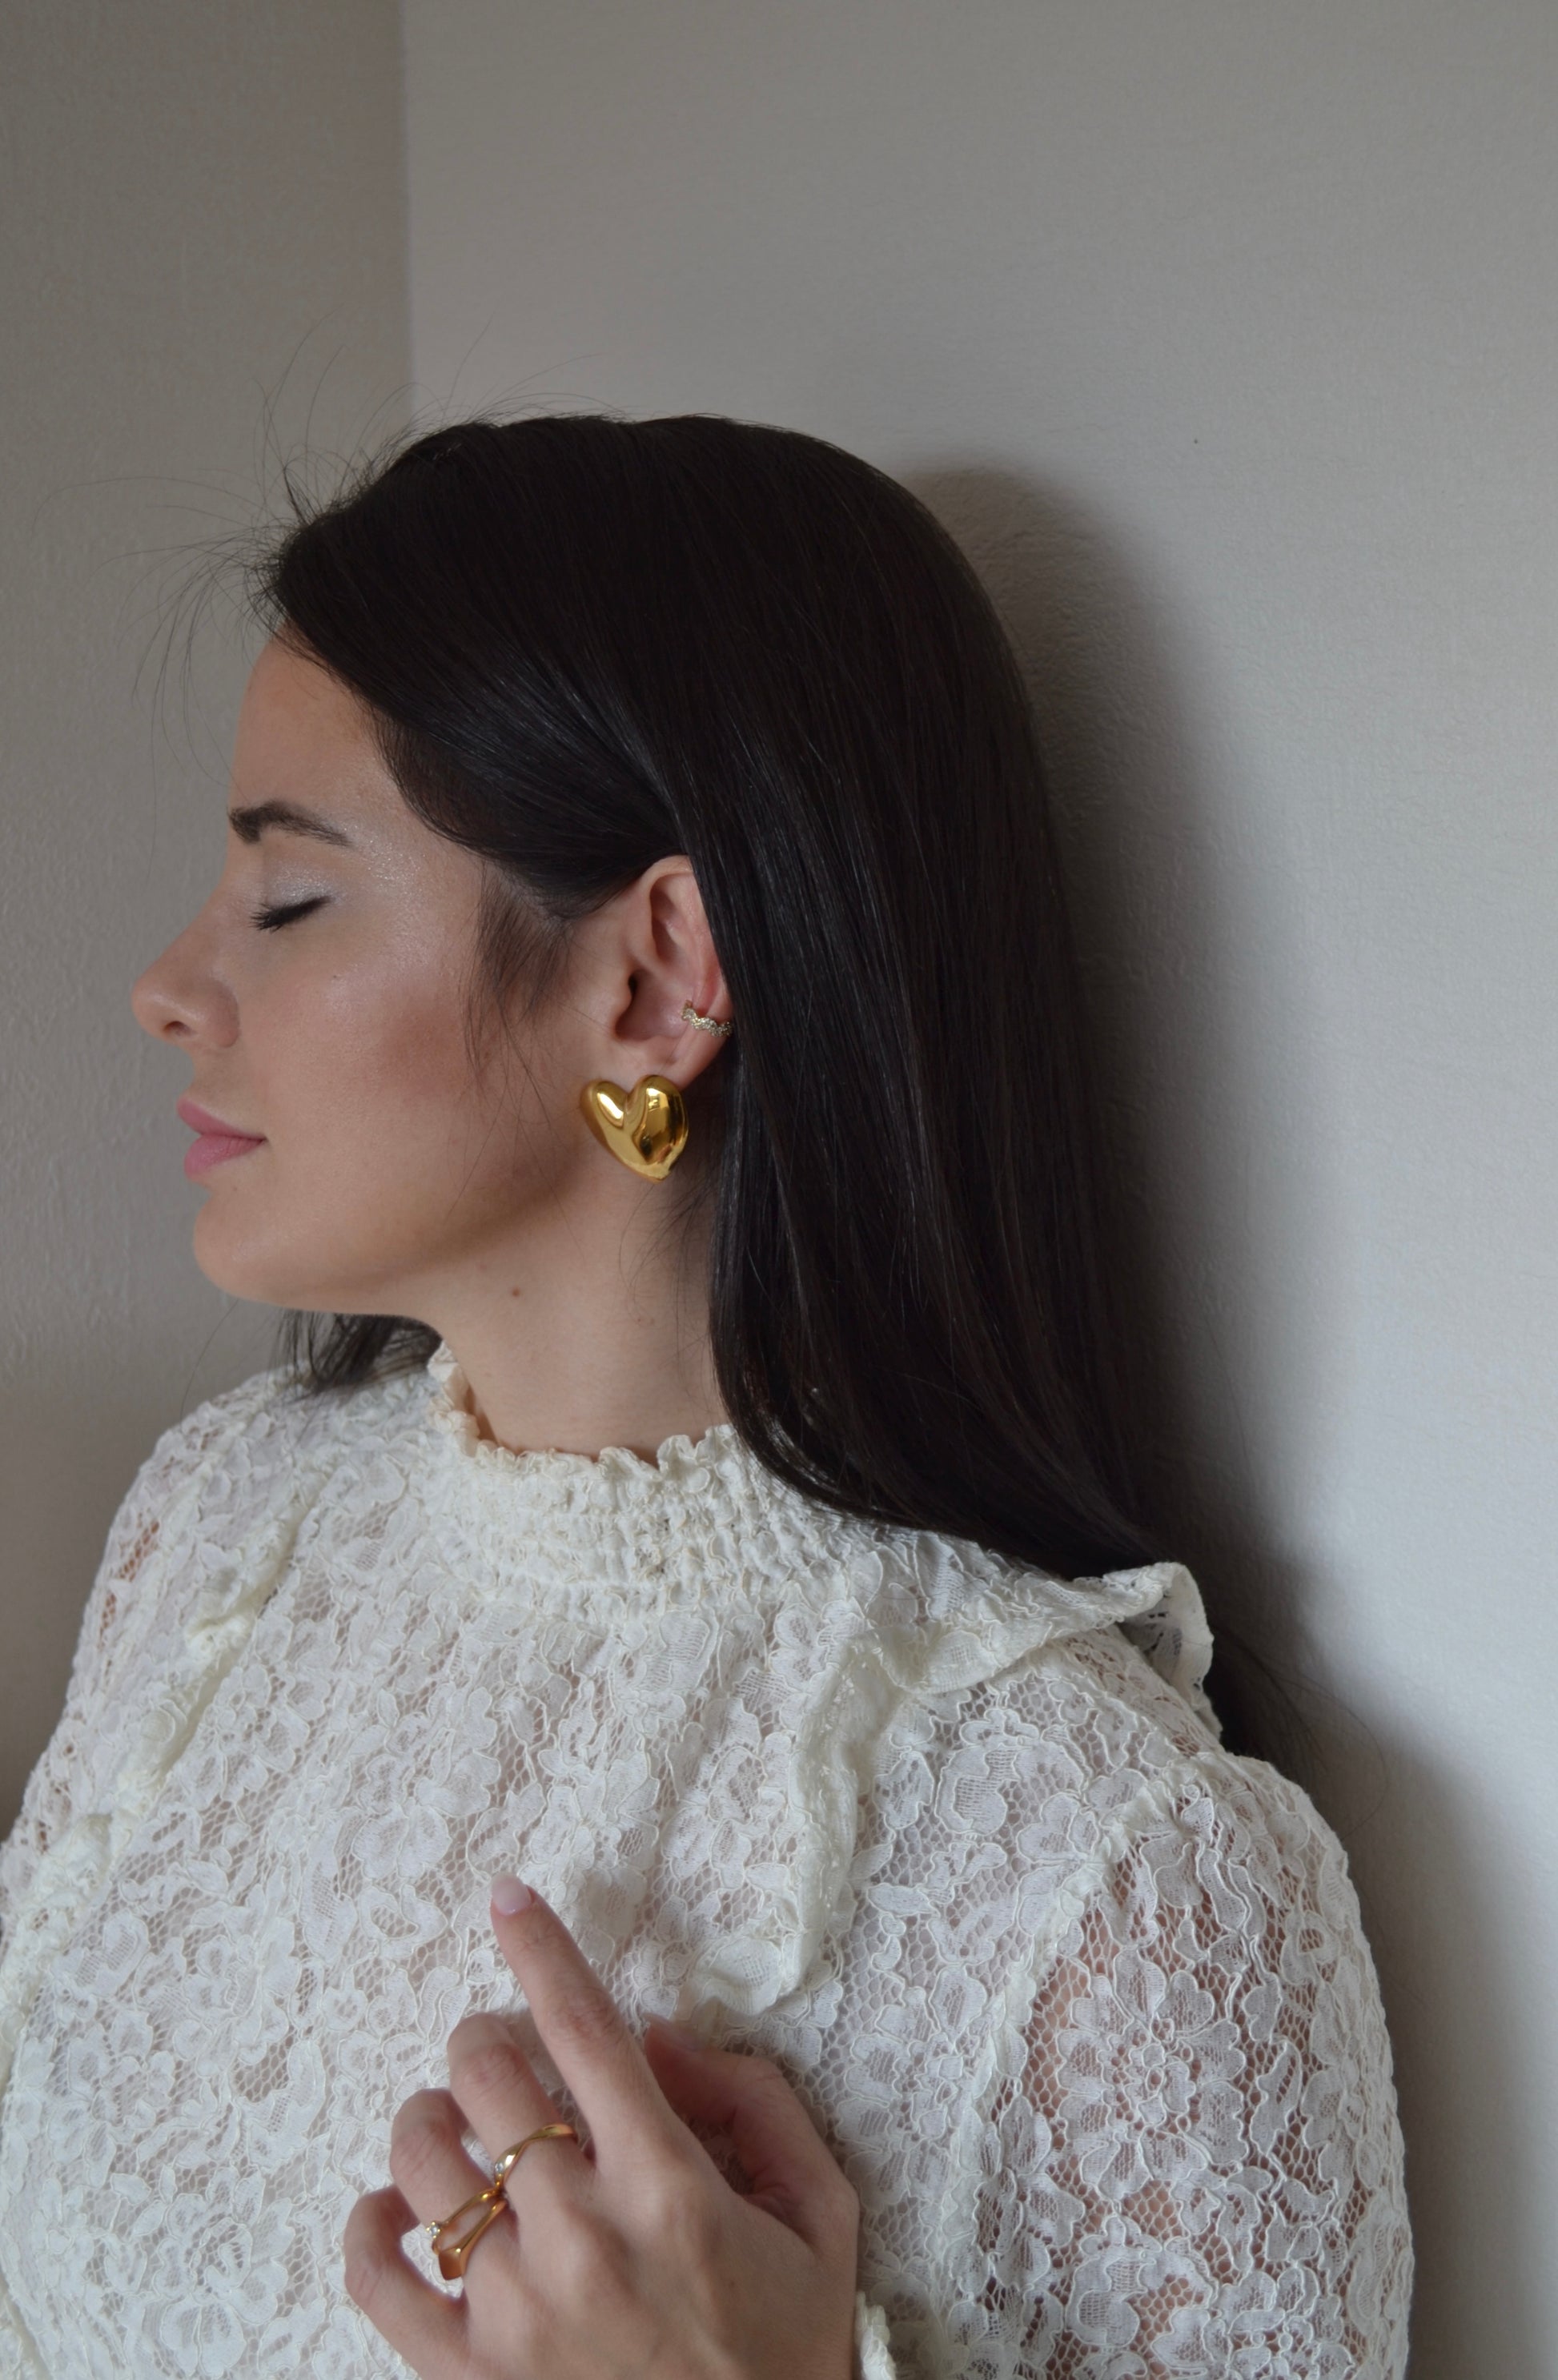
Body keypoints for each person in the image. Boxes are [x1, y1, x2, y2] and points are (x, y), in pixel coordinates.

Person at [0, 413, 1412, 2378]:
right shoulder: (219, 1523)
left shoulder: (1113, 1877)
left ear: (658, 978)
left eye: (290, 896)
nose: (169, 984)